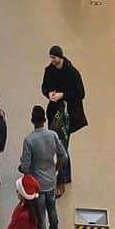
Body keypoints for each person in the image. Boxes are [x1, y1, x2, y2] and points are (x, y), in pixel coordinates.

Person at [19, 105, 67, 229]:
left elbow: (26, 168)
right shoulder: (52, 135)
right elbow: (63, 155)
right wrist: (55, 169)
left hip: (37, 185)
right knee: (52, 210)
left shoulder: (29, 140)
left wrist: (21, 167)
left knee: (40, 216)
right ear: (45, 120)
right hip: (51, 181)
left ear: (32, 120)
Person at [41, 46, 86, 189]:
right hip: (54, 113)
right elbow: (44, 87)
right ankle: (65, 176)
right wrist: (49, 94)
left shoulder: (72, 72)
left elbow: (81, 93)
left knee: (62, 147)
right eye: (51, 57)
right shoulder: (49, 71)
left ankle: (61, 181)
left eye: (54, 57)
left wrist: (63, 95)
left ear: (60, 57)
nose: (52, 60)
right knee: (60, 147)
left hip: (67, 117)